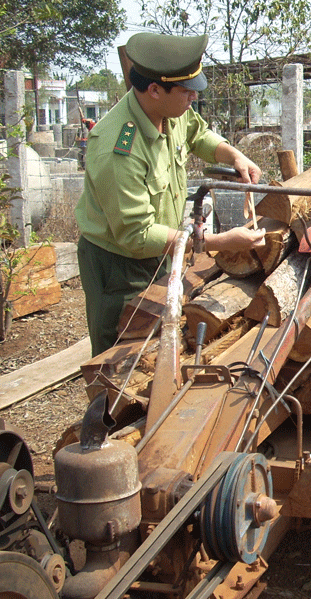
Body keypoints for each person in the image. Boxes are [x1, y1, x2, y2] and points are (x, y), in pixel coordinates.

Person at [76, 32, 267, 357]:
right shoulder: (117, 149)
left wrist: (234, 155)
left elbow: (198, 133)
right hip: (120, 266)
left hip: (162, 252)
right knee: (119, 361)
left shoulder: (169, 112)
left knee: (162, 347)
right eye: (186, 91)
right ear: (154, 89)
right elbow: (137, 235)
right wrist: (218, 242)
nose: (194, 97)